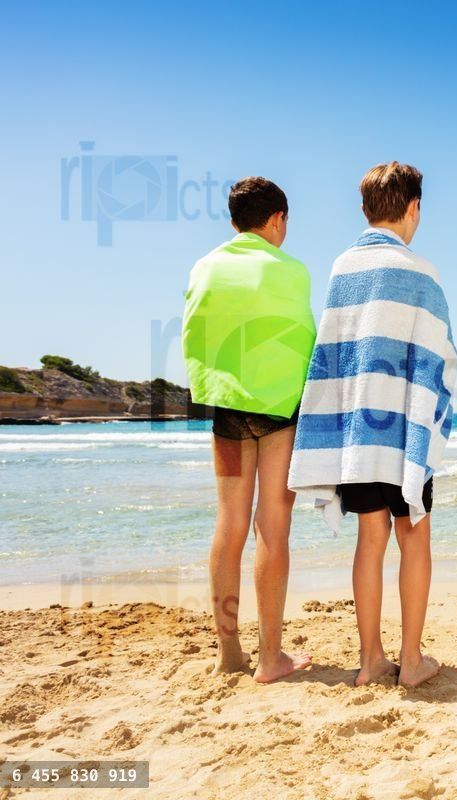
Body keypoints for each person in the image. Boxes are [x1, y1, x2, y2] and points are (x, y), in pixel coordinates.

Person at [288, 162, 457, 688]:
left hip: (360, 431)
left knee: (370, 538)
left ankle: (370, 661)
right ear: (414, 208)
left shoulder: (343, 268)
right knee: (415, 537)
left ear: (365, 210)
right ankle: (410, 660)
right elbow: (440, 356)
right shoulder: (422, 272)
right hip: (403, 428)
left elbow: (333, 352)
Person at [182, 177, 317, 682]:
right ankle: (271, 656)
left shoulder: (205, 265)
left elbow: (198, 327)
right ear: (277, 219)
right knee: (272, 526)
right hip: (279, 410)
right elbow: (302, 336)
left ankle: (227, 653)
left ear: (235, 220)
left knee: (229, 524)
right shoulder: (292, 270)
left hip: (225, 407)